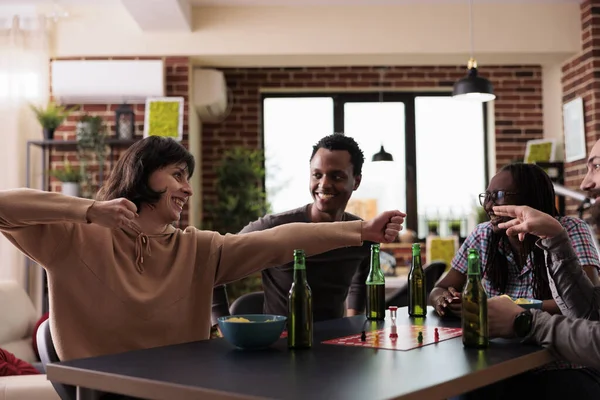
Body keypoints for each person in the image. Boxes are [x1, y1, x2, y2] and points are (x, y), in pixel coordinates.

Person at [0, 136, 405, 362]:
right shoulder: (72, 237)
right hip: (101, 391)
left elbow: (281, 240)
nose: (188, 188)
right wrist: (89, 210)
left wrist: (361, 232)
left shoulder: (197, 249)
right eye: (177, 175)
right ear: (143, 175)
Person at [212, 133, 374, 323]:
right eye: (317, 175)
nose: (324, 184)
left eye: (336, 176)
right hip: (278, 345)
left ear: (356, 181)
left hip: (334, 345)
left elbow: (360, 283)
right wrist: (220, 326)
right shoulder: (274, 226)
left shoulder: (360, 233)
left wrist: (351, 326)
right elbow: (215, 262)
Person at [430, 162, 600, 317]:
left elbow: (587, 303)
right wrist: (443, 299)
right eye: (487, 196)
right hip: (497, 341)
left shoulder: (569, 229)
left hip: (551, 340)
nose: (488, 205)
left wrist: (515, 306)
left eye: (498, 195)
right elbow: (439, 288)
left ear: (529, 198)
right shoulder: (483, 234)